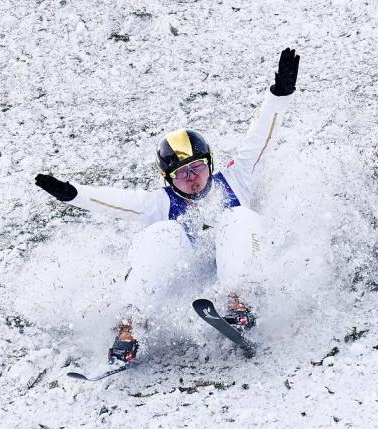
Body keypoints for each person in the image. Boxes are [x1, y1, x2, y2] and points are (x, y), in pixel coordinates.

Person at [35, 48, 300, 364]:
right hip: (188, 283)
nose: (193, 178)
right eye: (182, 174)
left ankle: (240, 305)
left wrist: (279, 94)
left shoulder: (236, 178)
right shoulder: (158, 203)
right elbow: (112, 201)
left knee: (238, 217)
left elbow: (260, 138)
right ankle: (129, 331)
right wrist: (72, 194)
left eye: (197, 168)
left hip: (240, 268)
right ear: (168, 179)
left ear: (209, 164)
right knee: (161, 234)